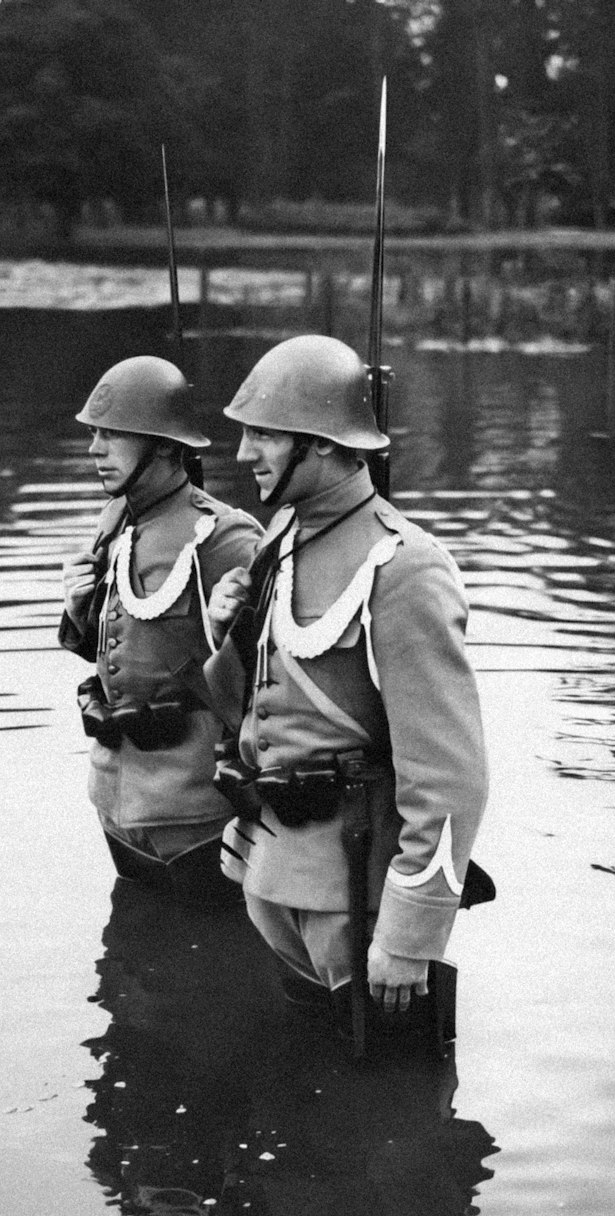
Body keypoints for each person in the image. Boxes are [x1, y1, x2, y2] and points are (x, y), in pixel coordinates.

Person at [203, 334, 489, 1023]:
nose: (244, 455)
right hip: (273, 875)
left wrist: (409, 933)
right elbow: (264, 703)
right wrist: (228, 630)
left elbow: (451, 777)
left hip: (358, 903)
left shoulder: (405, 568)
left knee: (391, 1093)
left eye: (264, 436)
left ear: (323, 443)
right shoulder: (281, 540)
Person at [60, 355, 262, 886]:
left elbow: (273, 678)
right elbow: (121, 650)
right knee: (131, 952)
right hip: (115, 797)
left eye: (114, 435)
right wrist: (78, 614)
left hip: (194, 810)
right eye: (95, 432)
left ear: (167, 446)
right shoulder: (115, 519)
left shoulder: (223, 538)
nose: (95, 448)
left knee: (218, 951)